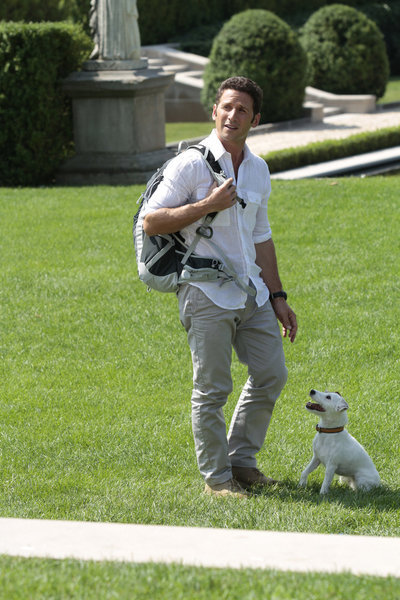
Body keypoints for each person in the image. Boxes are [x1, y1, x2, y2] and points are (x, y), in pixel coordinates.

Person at [143, 77, 297, 498]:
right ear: (214, 111)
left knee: (270, 373)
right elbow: (150, 221)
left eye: (242, 110)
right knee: (211, 389)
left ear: (255, 119)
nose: (233, 115)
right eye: (226, 107)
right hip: (204, 291)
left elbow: (261, 235)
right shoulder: (189, 164)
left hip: (252, 293)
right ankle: (217, 479)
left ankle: (242, 461)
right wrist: (206, 205)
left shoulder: (259, 168)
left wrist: (278, 296)